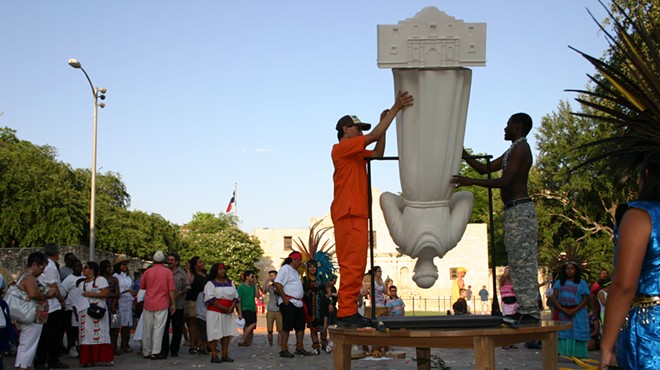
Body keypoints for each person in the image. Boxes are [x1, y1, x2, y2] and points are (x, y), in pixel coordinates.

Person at [331, 91, 414, 328]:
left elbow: (377, 152)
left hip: (355, 212)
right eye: (358, 128)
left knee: (356, 264)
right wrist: (396, 108)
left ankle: (347, 311)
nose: (360, 132)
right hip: (348, 212)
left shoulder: (355, 153)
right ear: (346, 129)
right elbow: (375, 134)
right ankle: (346, 312)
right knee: (351, 264)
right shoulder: (340, 149)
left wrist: (383, 128)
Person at [452, 112, 540, 324]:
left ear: (518, 126)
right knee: (516, 260)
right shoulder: (513, 149)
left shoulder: (521, 148)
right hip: (513, 210)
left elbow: (505, 181)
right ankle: (524, 308)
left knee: (523, 260)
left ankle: (531, 311)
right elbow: (486, 168)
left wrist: (470, 181)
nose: (504, 128)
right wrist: (461, 151)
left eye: (508, 124)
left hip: (520, 210)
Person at [600, 154, 660, 369]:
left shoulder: (640, 216)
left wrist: (606, 347)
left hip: (650, 330)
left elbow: (624, 286)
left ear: (647, 175)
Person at [14, 252, 57, 370]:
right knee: (28, 346)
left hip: (28, 315)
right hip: (31, 316)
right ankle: (23, 367)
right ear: (34, 265)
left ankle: (24, 366)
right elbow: (33, 294)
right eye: (42, 267)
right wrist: (47, 295)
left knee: (26, 345)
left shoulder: (23, 275)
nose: (42, 271)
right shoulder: (30, 278)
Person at [34, 243, 68, 370]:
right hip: (52, 305)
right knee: (51, 335)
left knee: (50, 335)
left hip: (48, 305)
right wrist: (61, 301)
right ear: (57, 253)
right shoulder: (50, 266)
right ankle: (48, 360)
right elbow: (54, 286)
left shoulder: (47, 265)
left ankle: (47, 359)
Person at [274, 251, 311, 358]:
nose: (300, 262)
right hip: (289, 302)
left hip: (298, 302)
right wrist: (284, 298)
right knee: (287, 325)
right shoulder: (285, 269)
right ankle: (284, 348)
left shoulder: (294, 271)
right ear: (294, 259)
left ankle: (299, 347)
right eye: (299, 260)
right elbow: (278, 283)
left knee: (300, 326)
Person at [140, 251, 175, 360]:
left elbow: (142, 287)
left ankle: (147, 351)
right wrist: (173, 303)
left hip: (148, 302)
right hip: (162, 302)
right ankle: (155, 351)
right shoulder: (168, 272)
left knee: (147, 328)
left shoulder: (147, 272)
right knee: (158, 328)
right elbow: (171, 289)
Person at [551, 261, 589, 358]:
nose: (569, 271)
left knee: (577, 332)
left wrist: (575, 310)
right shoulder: (558, 283)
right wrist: (562, 309)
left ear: (576, 271)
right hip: (562, 312)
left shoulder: (582, 283)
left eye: (572, 268)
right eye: (567, 269)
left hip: (578, 312)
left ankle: (578, 354)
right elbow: (554, 297)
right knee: (563, 332)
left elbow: (585, 298)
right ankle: (561, 353)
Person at [79, 261, 113, 367]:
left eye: (86, 268)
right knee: (86, 336)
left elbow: (106, 293)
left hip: (97, 311)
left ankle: (106, 358)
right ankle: (88, 359)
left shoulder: (100, 280)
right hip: (85, 313)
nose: (84, 269)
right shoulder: (81, 283)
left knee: (100, 334)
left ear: (92, 270)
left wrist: (90, 294)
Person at [204, 263, 239, 363]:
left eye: (224, 269)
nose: (222, 271)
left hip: (228, 311)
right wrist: (222, 307)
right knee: (214, 333)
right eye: (220, 269)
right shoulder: (210, 284)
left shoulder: (230, 282)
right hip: (215, 312)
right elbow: (210, 298)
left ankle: (225, 353)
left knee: (226, 333)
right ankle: (214, 354)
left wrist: (231, 307)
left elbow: (235, 296)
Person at [160, 252, 190, 358]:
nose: (170, 262)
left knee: (177, 328)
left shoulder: (182, 272)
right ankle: (164, 350)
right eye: (168, 260)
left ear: (177, 262)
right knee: (164, 328)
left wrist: (179, 293)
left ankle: (174, 349)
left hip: (178, 304)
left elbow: (187, 286)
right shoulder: (164, 271)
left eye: (172, 260)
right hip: (165, 304)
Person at [301, 260, 328, 354]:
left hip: (322, 306)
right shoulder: (304, 280)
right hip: (310, 307)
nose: (312, 269)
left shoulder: (321, 278)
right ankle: (316, 346)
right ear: (307, 268)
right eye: (310, 267)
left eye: (314, 267)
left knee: (323, 327)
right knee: (313, 328)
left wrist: (330, 303)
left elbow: (327, 292)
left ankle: (324, 344)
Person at [60, 259, 84, 358]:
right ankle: (72, 346)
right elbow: (62, 292)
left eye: (81, 266)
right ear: (73, 268)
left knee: (80, 329)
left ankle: (80, 346)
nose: (80, 268)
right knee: (72, 330)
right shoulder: (69, 279)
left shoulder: (84, 278)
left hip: (82, 307)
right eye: (77, 266)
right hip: (70, 308)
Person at [112, 257, 135, 354]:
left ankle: (124, 345)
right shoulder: (115, 276)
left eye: (126, 264)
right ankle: (114, 346)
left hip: (127, 303)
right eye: (123, 264)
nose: (125, 266)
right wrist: (127, 290)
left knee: (127, 325)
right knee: (116, 326)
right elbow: (116, 290)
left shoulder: (128, 277)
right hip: (118, 303)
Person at [184, 256, 207, 354]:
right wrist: (188, 269)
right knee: (193, 324)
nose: (202, 263)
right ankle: (192, 345)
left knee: (202, 325)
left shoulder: (205, 274)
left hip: (204, 301)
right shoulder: (193, 274)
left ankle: (200, 344)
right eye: (199, 262)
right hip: (193, 301)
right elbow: (189, 282)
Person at [100, 260, 120, 356]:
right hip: (103, 305)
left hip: (114, 306)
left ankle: (114, 347)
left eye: (110, 267)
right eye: (107, 267)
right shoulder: (100, 279)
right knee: (104, 328)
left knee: (115, 327)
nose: (109, 269)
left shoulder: (114, 279)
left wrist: (112, 303)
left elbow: (117, 294)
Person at [260, 270, 283, 347]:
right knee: (269, 330)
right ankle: (270, 345)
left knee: (280, 330)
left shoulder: (281, 285)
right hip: (270, 309)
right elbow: (263, 291)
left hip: (279, 309)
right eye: (270, 276)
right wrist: (266, 282)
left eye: (272, 276)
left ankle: (279, 344)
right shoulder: (270, 287)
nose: (271, 277)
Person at [236, 270, 257, 347]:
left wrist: (255, 285)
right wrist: (240, 312)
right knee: (251, 323)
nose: (253, 278)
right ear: (247, 277)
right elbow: (239, 300)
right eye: (252, 276)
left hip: (252, 308)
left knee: (250, 327)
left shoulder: (252, 286)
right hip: (245, 308)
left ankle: (248, 342)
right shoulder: (241, 287)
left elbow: (257, 295)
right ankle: (243, 339)